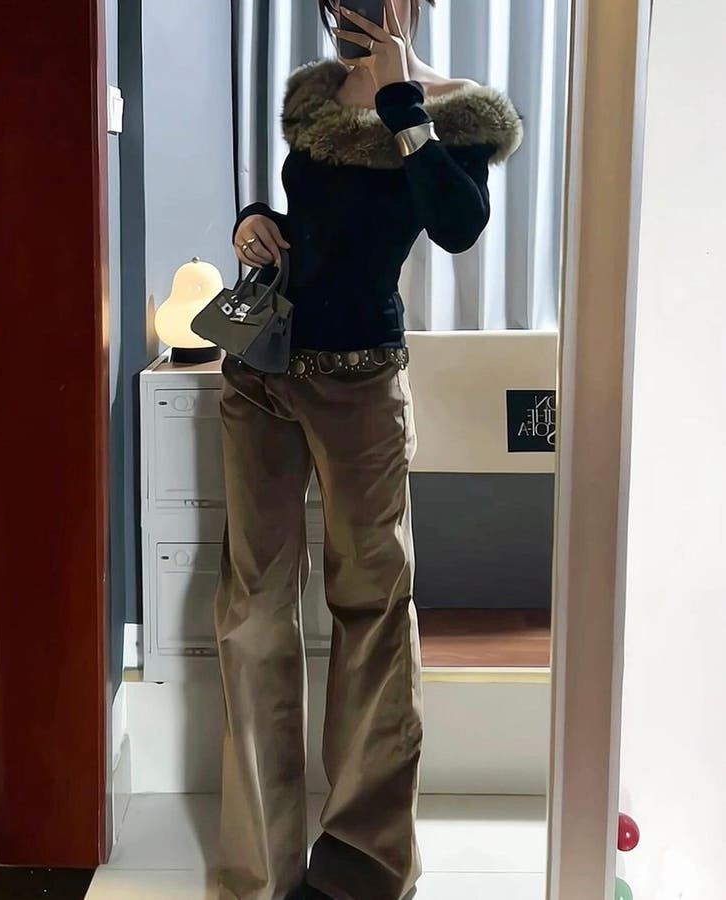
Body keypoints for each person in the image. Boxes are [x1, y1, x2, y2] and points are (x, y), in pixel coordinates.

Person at [215, 2, 523, 898]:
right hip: (261, 374)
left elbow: (457, 224)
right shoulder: (312, 96)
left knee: (373, 614)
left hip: (362, 390)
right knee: (252, 615)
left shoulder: (457, 108)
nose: (351, 12)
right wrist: (254, 220)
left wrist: (402, 102)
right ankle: (260, 869)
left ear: (412, 5)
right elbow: (314, 218)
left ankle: (362, 866)